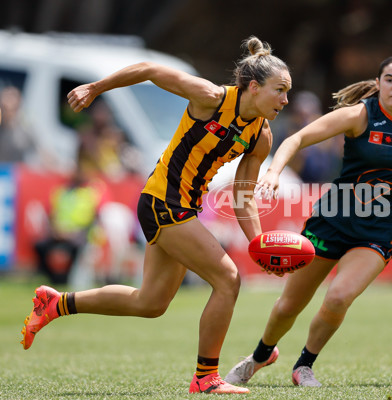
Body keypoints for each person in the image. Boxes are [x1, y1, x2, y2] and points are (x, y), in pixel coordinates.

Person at [20, 36, 291, 395]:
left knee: (150, 303)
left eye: (288, 92)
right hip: (163, 202)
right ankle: (206, 378)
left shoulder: (261, 136)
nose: (285, 100)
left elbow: (243, 197)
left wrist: (259, 245)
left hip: (183, 209)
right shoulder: (211, 97)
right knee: (228, 279)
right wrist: (95, 87)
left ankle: (56, 303)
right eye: (280, 90)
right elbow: (149, 69)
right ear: (254, 87)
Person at [225, 54, 392, 387]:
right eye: (389, 79)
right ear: (378, 84)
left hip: (376, 230)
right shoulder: (359, 116)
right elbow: (297, 139)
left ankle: (304, 365)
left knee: (337, 298)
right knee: (288, 306)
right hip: (330, 222)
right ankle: (261, 355)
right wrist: (275, 172)